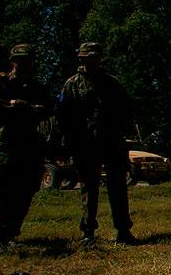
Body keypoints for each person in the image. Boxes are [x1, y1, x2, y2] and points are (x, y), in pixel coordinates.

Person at [57, 41, 137, 248]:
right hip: (85, 144)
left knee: (118, 186)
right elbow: (63, 116)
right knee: (89, 188)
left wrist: (125, 134)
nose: (91, 62)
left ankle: (123, 230)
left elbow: (127, 111)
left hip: (112, 142)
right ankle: (88, 232)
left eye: (94, 58)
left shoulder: (113, 84)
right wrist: (68, 142)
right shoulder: (72, 85)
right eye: (86, 58)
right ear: (81, 60)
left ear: (100, 59)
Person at [0, 44, 51, 254]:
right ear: (13, 61)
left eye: (27, 60)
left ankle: (11, 233)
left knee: (24, 189)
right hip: (6, 142)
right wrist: (22, 108)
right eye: (20, 60)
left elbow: (47, 109)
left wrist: (22, 107)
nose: (24, 64)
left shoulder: (36, 87)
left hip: (29, 143)